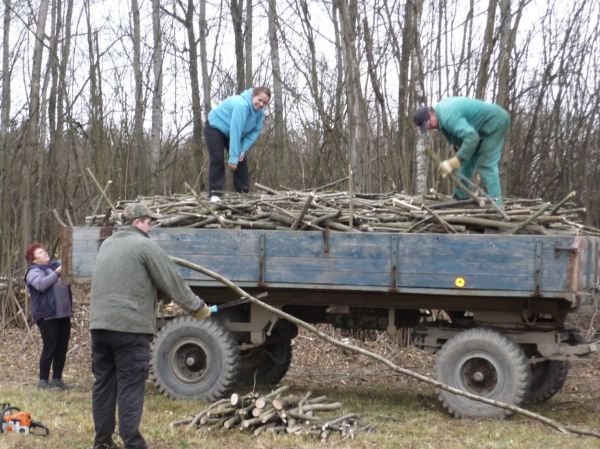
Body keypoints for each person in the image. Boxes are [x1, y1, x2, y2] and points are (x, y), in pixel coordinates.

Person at [89, 203, 212, 449]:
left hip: (99, 327)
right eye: (148, 221)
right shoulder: (145, 245)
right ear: (137, 222)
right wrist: (198, 307)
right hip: (130, 328)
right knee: (130, 386)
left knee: (103, 383)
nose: (151, 227)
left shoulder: (107, 244)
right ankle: (133, 443)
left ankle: (102, 442)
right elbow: (172, 281)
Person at [413, 97, 511, 205]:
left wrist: (454, 162)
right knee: (466, 162)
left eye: (428, 125)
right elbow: (464, 136)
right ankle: (461, 197)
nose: (429, 129)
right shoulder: (441, 115)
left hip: (495, 122)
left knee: (486, 163)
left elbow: (471, 137)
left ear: (431, 114)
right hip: (479, 129)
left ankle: (498, 205)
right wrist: (458, 157)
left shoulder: (447, 116)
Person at [204, 86, 271, 202]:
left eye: (264, 103)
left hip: (231, 132)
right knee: (217, 158)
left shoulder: (260, 113)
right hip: (215, 126)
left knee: (241, 159)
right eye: (259, 100)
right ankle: (215, 193)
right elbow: (236, 130)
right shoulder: (241, 105)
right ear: (253, 96)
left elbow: (254, 132)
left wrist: (242, 149)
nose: (261, 104)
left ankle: (243, 192)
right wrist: (233, 157)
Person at [25, 243, 73, 391]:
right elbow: (40, 285)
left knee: (61, 347)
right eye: (40, 252)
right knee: (50, 347)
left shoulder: (54, 265)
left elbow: (69, 261)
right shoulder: (33, 271)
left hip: (63, 315)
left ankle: (57, 380)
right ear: (34, 259)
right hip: (47, 315)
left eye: (45, 251)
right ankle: (43, 381)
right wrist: (57, 273)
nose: (45, 253)